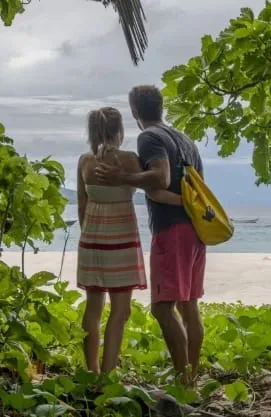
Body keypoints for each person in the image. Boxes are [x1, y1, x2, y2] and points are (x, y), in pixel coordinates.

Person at [94, 86, 206, 387]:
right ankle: (191, 378)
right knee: (189, 305)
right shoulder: (185, 139)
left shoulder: (149, 137)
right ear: (161, 107)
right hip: (196, 229)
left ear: (134, 113)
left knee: (162, 308)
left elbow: (161, 177)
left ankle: (184, 383)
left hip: (172, 231)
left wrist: (122, 177)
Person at [77, 107, 181, 375]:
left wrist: (90, 234)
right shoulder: (129, 160)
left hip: (91, 237)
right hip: (121, 238)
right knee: (120, 311)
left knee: (93, 307)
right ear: (119, 131)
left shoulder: (84, 161)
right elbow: (156, 192)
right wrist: (187, 203)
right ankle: (109, 375)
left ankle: (91, 371)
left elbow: (81, 206)